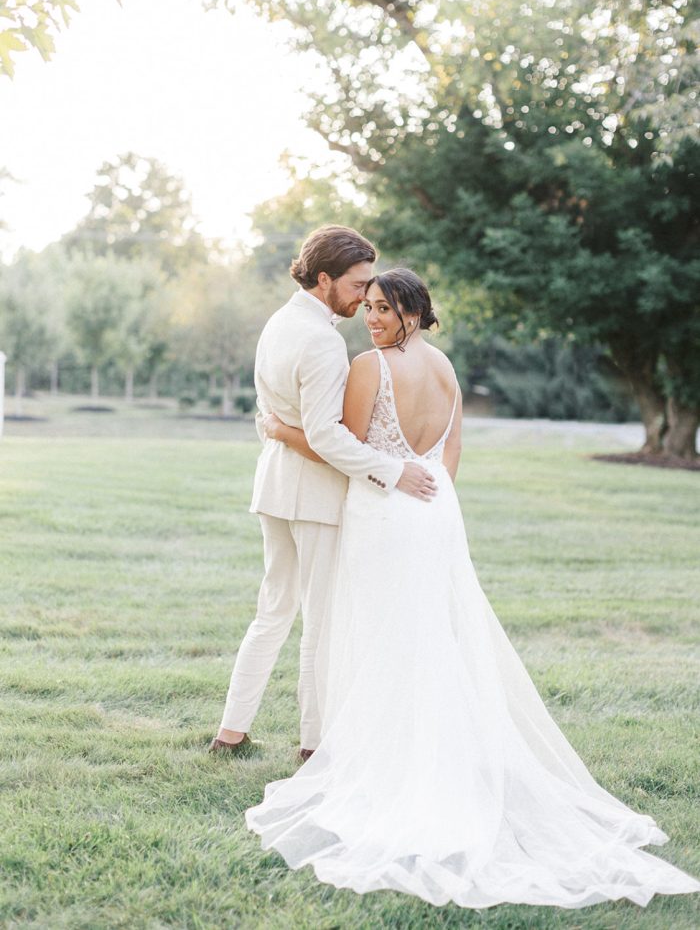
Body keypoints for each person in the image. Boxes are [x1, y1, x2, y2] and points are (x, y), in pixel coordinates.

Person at [245, 267, 700, 909]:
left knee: (381, 639)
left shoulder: (369, 368)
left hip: (383, 512)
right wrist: (431, 499)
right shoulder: (448, 369)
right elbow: (450, 453)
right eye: (368, 306)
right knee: (430, 635)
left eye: (383, 309)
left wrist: (282, 431)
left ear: (411, 313)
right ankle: (435, 757)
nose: (371, 319)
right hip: (436, 513)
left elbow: (339, 445)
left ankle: (393, 770)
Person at [210, 227, 437, 760]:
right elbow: (328, 434)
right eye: (357, 285)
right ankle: (313, 748)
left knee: (273, 612)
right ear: (324, 278)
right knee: (319, 624)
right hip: (313, 498)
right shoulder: (322, 340)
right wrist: (391, 471)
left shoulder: (278, 323)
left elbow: (273, 414)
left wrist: (279, 433)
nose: (364, 297)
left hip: (275, 486)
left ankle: (231, 733)